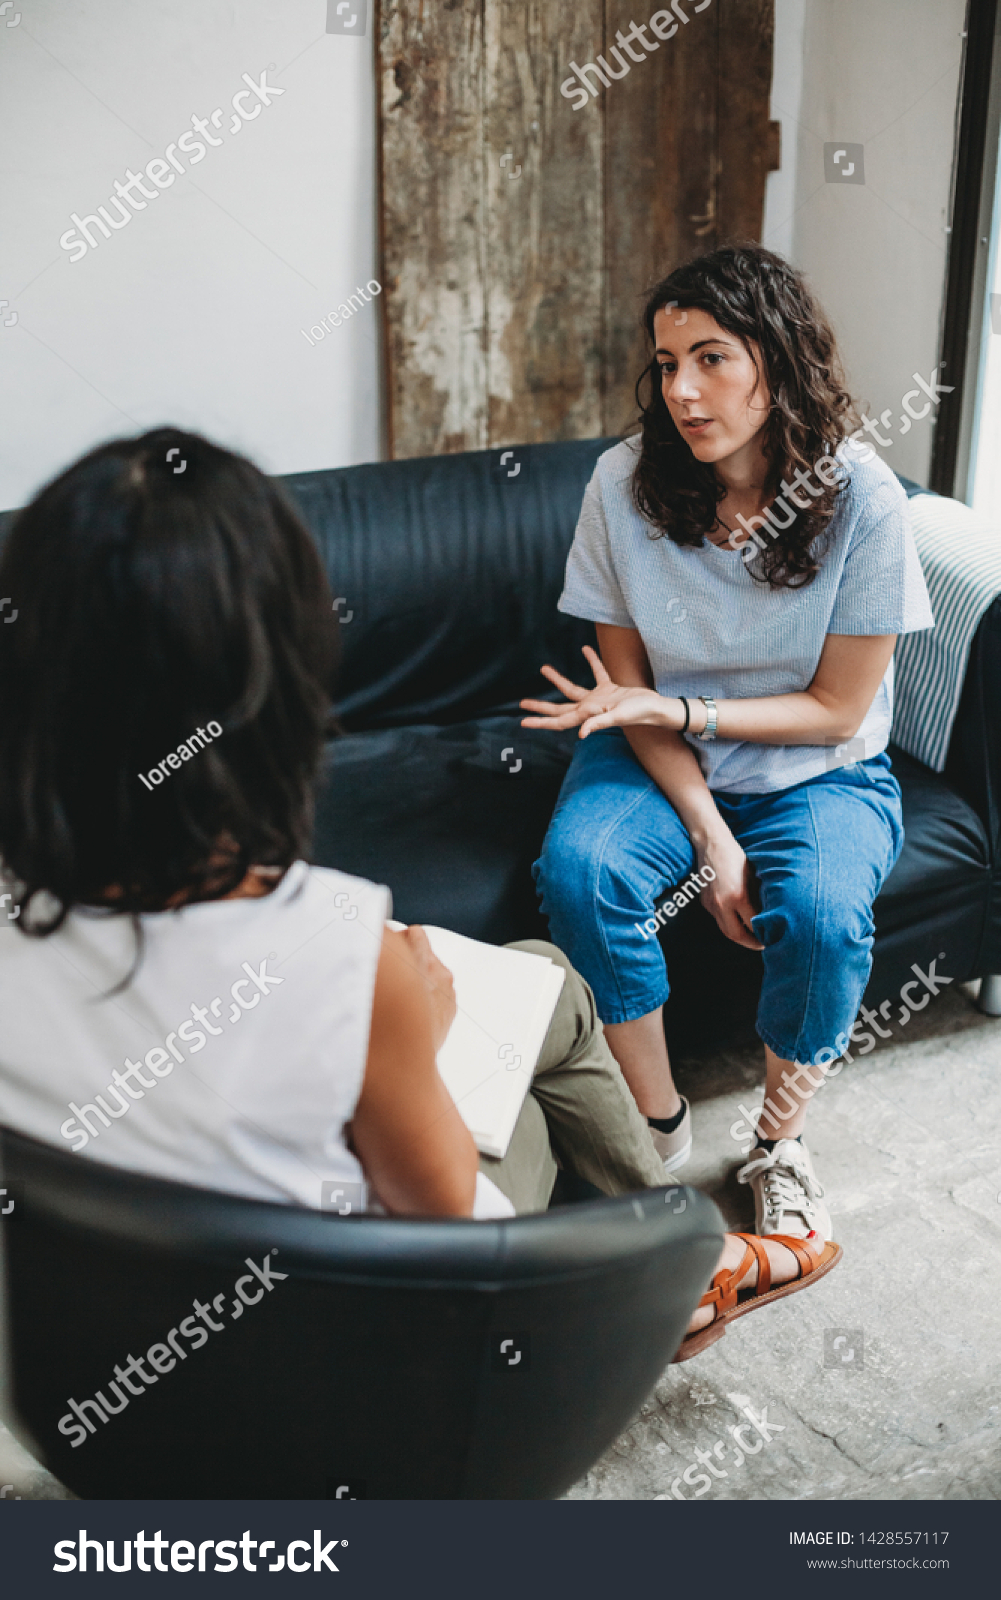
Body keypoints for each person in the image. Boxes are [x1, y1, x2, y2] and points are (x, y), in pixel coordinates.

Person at [0, 427, 839, 1361]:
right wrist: (416, 1036)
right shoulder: (344, 961)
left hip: (109, 1391)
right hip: (368, 1368)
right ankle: (676, 1273)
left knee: (547, 982)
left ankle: (688, 1256)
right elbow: (449, 1235)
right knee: (524, 1051)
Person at [525, 243, 934, 1243]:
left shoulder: (863, 499)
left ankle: (778, 1146)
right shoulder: (620, 485)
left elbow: (838, 711)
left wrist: (688, 714)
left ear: (776, 358)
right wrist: (710, 833)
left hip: (816, 770)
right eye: (665, 365)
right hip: (659, 753)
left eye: (709, 358)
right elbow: (628, 697)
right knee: (581, 869)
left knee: (827, 915)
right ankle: (654, 1127)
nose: (681, 390)